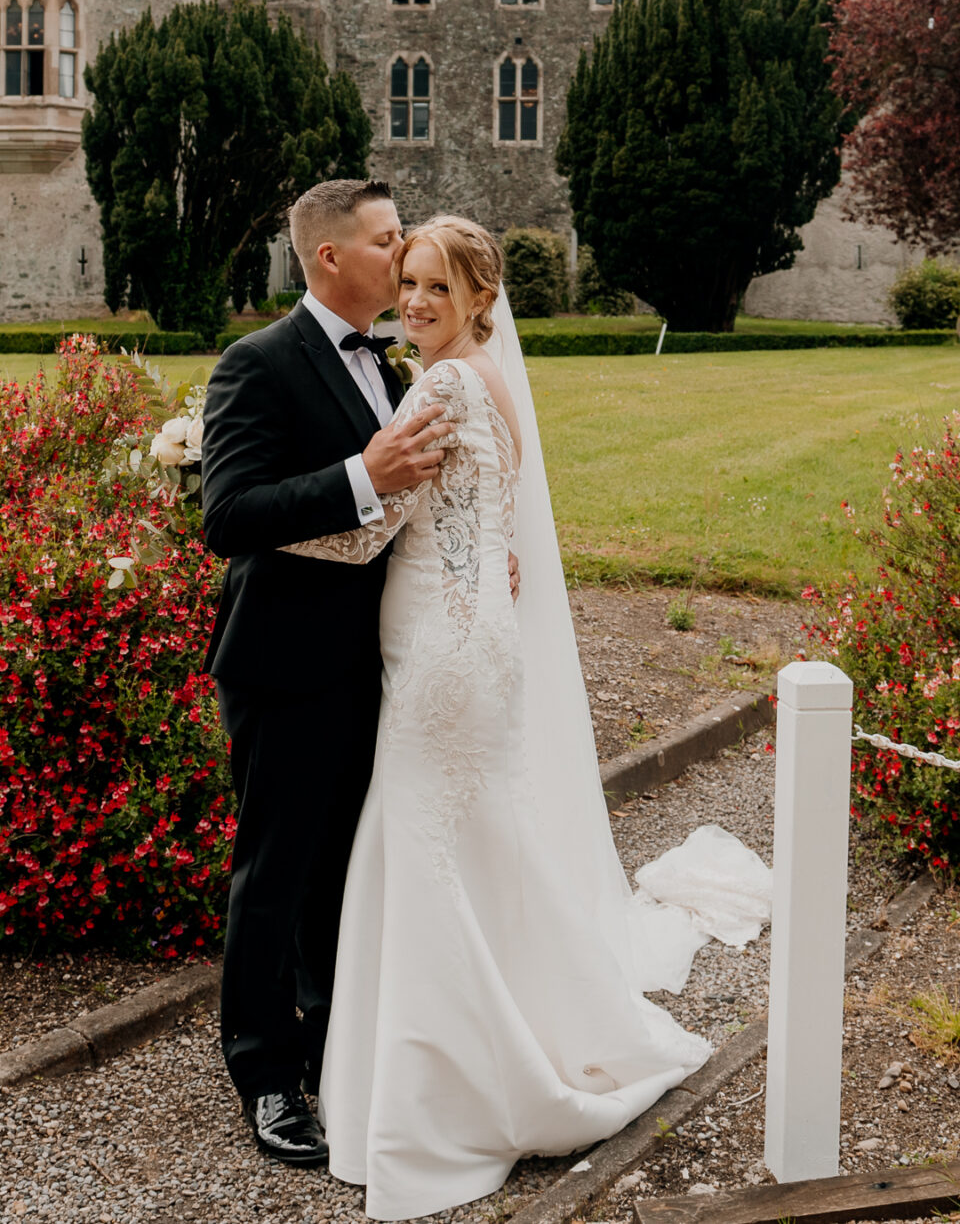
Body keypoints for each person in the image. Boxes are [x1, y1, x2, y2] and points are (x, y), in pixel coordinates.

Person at [282, 215, 711, 1221]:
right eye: (411, 284)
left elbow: (369, 531)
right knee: (469, 846)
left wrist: (251, 528)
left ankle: (450, 1096)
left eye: (438, 287)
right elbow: (487, 529)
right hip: (478, 648)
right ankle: (509, 1039)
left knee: (423, 847)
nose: (417, 302)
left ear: (480, 297)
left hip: (439, 655)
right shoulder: (493, 382)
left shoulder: (439, 385)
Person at [197, 178, 455, 1167]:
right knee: (274, 874)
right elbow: (229, 516)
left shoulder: (392, 363)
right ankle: (265, 1077)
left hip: (375, 660)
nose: (406, 256)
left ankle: (331, 1046)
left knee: (343, 870)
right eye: (390, 241)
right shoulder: (255, 364)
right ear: (329, 259)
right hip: (282, 661)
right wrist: (364, 476)